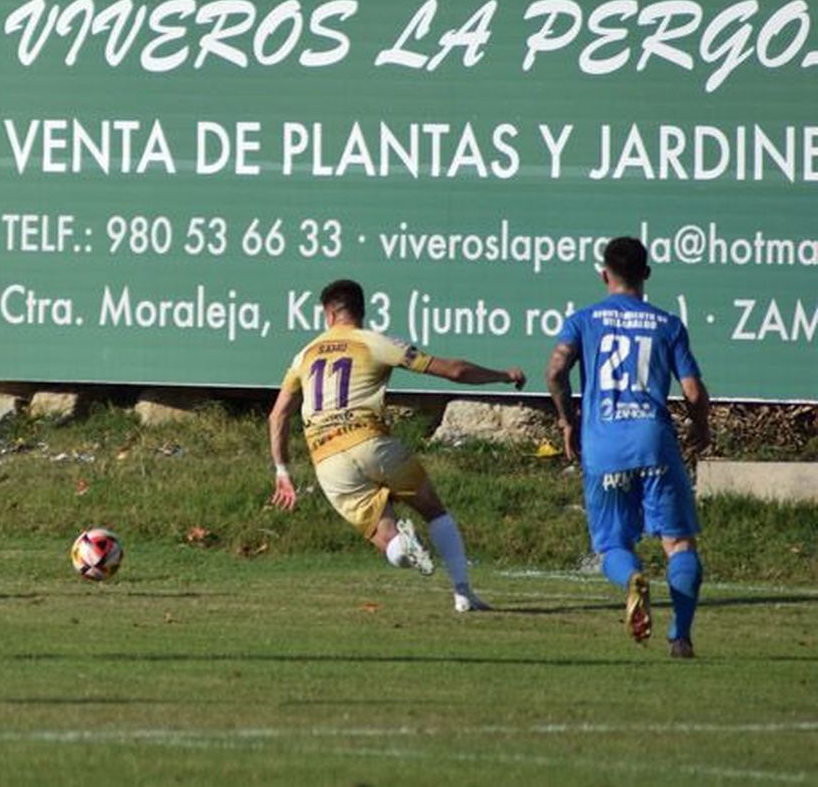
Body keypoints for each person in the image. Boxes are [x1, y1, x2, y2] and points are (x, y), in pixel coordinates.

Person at [266, 279, 526, 611]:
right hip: (371, 442)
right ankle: (463, 594)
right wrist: (503, 375)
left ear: (328, 314)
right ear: (360, 311)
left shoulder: (304, 355)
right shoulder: (374, 343)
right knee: (433, 510)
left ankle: (404, 547)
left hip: (327, 458)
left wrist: (282, 470)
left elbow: (278, 416)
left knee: (387, 540)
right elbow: (454, 371)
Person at [545, 237, 709, 658]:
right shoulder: (667, 324)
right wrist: (700, 426)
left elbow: (555, 370)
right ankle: (681, 637)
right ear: (647, 275)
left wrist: (567, 421)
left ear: (604, 275)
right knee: (680, 544)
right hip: (654, 440)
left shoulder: (583, 320)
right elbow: (692, 390)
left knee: (612, 547)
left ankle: (634, 579)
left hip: (604, 446)